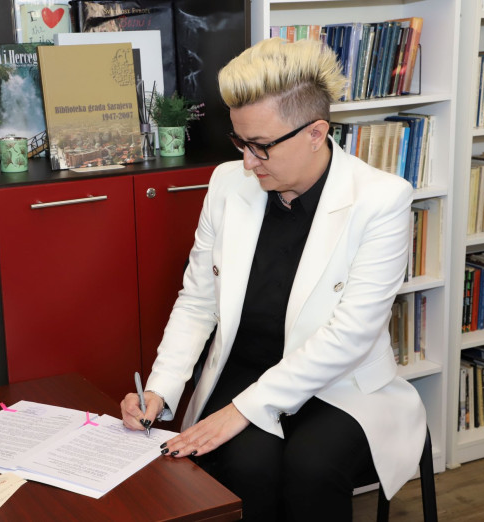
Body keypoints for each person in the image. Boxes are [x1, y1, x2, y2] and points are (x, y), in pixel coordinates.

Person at [120, 37, 426, 521]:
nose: (247, 161)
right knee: (247, 466)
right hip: (244, 369)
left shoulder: (381, 200)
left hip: (339, 383)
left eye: (261, 146)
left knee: (311, 468)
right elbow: (197, 301)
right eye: (240, 142)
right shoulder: (227, 184)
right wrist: (159, 390)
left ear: (316, 133)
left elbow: (350, 336)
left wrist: (244, 409)